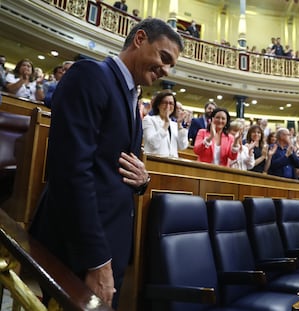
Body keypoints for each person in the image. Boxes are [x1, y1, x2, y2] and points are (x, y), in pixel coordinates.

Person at [29, 18, 183, 309]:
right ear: (140, 39)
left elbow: (119, 165)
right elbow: (72, 173)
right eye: (164, 58)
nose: (166, 70)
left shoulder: (130, 97)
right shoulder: (90, 75)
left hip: (108, 248)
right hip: (80, 251)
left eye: (171, 65)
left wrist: (143, 181)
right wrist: (97, 260)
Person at [142, 90, 188, 157]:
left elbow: (182, 146)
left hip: (172, 164)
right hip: (154, 162)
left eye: (171, 103)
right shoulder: (149, 120)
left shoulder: (174, 125)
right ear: (158, 105)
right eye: (165, 103)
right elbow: (152, 145)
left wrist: (180, 125)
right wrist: (166, 124)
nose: (168, 106)